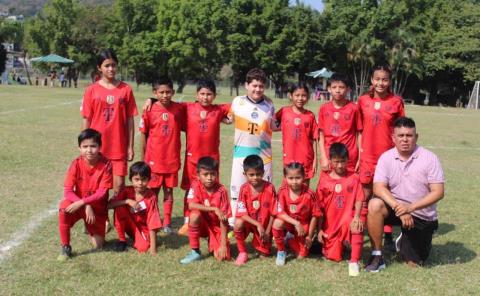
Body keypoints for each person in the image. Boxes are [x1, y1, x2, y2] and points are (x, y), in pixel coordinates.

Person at [366, 117, 444, 271]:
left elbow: (438, 192)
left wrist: (410, 208)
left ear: (416, 137)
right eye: (401, 136)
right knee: (374, 204)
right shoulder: (386, 157)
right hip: (396, 208)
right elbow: (378, 188)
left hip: (420, 213)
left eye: (409, 135)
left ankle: (404, 241)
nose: (405, 139)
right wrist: (399, 208)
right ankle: (376, 254)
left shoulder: (430, 158)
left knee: (414, 264)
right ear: (393, 138)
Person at [358, 63, 405, 250]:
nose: (380, 83)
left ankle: (388, 235)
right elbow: (358, 130)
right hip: (367, 157)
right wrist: (360, 153)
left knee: (386, 195)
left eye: (385, 79)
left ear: (389, 81)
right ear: (371, 80)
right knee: (365, 196)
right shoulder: (362, 101)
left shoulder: (396, 102)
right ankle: (359, 233)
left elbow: (401, 131)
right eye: (377, 79)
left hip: (388, 158)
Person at [81, 49, 138, 197]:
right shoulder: (91, 90)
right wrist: (85, 145)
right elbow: (86, 119)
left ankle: (119, 220)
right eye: (107, 65)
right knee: (100, 186)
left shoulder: (126, 89)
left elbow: (130, 120)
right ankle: (104, 220)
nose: (111, 69)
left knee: (119, 187)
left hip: (118, 146)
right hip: (97, 147)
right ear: (99, 68)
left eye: (113, 65)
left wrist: (130, 146)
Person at [228, 68, 276, 225]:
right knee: (236, 192)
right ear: (246, 85)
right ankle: (234, 224)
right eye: (254, 85)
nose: (258, 89)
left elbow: (275, 125)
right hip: (241, 154)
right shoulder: (237, 102)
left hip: (264, 156)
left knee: (264, 192)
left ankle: (263, 223)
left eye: (261, 86)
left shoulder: (269, 104)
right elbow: (225, 117)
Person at [139, 77, 186, 234]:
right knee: (153, 192)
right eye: (161, 92)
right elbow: (143, 135)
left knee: (169, 192)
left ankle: (167, 222)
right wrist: (144, 159)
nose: (165, 95)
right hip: (153, 160)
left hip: (171, 159)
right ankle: (153, 219)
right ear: (155, 93)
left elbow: (196, 108)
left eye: (168, 92)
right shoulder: (149, 109)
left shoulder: (179, 109)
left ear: (173, 92)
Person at [57, 129, 112, 261]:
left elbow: (102, 193)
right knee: (63, 208)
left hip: (97, 208)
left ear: (100, 147)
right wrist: (85, 204)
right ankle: (65, 246)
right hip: (80, 204)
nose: (89, 150)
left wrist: (84, 203)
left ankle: (90, 227)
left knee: (99, 246)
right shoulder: (76, 163)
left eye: (93, 146)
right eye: (85, 147)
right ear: (79, 148)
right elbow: (68, 191)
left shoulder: (107, 165)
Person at [317, 143, 366, 276]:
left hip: (348, 219)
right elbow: (319, 207)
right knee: (333, 257)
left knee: (357, 225)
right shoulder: (324, 179)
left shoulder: (354, 178)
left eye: (343, 161)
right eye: (336, 161)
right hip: (331, 225)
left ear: (348, 160)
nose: (340, 165)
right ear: (330, 160)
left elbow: (359, 198)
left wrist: (356, 217)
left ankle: (354, 261)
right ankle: (340, 244)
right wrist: (319, 229)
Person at [180, 157, 231, 264]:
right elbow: (191, 205)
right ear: (198, 175)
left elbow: (224, 220)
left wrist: (223, 245)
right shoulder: (195, 184)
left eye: (213, 174)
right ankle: (195, 251)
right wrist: (214, 208)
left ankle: (212, 241)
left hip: (216, 226)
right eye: (206, 174)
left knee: (223, 257)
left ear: (217, 174)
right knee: (194, 215)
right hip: (202, 224)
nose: (209, 178)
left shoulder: (222, 191)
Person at [272, 162, 320, 266]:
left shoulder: (310, 194)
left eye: (298, 178)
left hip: (304, 227)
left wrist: (309, 236)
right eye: (291, 178)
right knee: (277, 223)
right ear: (285, 178)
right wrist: (296, 223)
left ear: (304, 177)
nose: (294, 182)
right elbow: (279, 213)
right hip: (289, 223)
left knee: (301, 256)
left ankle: (289, 239)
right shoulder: (282, 191)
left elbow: (315, 216)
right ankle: (281, 251)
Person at [108, 161, 162, 254]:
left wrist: (153, 248)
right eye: (136, 179)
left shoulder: (151, 197)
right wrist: (127, 201)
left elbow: (153, 222)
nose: (140, 183)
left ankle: (140, 239)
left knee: (143, 248)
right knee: (119, 207)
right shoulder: (126, 191)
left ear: (149, 179)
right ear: (131, 179)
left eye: (143, 179)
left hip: (143, 229)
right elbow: (109, 205)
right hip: (130, 224)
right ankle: (122, 240)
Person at [233, 155, 276, 265]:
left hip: (265, 226)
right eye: (251, 175)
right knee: (238, 223)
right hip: (250, 222)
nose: (255, 177)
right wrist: (257, 224)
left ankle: (264, 243)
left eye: (258, 174)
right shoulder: (244, 188)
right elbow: (242, 213)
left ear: (263, 172)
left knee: (264, 256)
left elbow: (273, 213)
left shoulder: (270, 188)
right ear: (245, 174)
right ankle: (242, 252)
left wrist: (267, 231)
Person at [318, 73, 362, 174]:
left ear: (348, 89)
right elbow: (320, 134)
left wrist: (360, 157)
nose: (337, 90)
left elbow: (360, 134)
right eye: (334, 87)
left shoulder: (354, 108)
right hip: (330, 158)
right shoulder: (324, 109)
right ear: (329, 89)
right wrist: (324, 157)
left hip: (349, 158)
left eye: (341, 87)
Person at [275, 82, 318, 185]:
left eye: (303, 95)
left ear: (307, 97)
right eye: (297, 95)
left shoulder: (310, 116)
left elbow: (315, 138)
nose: (300, 98)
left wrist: (315, 160)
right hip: (289, 156)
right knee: (287, 187)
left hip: (306, 157)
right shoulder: (284, 111)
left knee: (304, 188)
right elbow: (272, 122)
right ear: (290, 96)